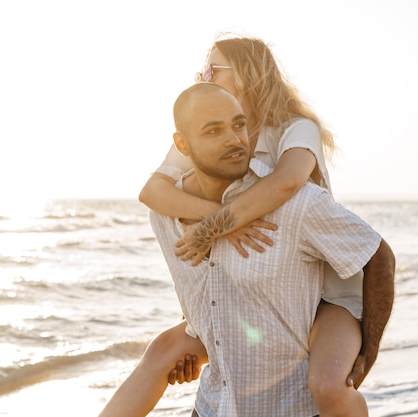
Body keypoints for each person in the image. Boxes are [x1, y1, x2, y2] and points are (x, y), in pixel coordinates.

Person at [99, 35, 395, 417]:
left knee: (329, 385)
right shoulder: (207, 125)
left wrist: (219, 224)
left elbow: (286, 182)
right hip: (261, 290)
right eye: (201, 71)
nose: (202, 77)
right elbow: (153, 190)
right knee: (162, 352)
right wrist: (216, 224)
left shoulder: (294, 128)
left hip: (330, 292)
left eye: (211, 70)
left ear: (247, 74)